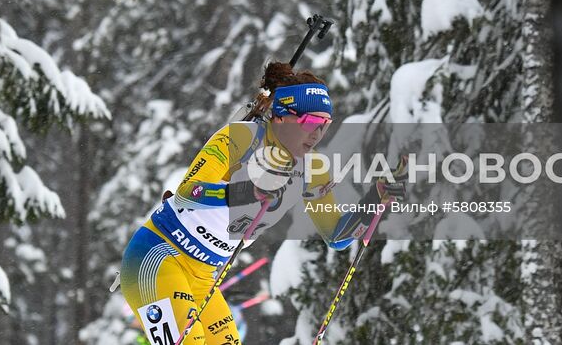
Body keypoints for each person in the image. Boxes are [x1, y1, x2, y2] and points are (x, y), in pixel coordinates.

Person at [119, 62, 404, 345]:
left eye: (325, 124)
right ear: (281, 117)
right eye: (310, 122)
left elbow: (337, 236)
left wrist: (374, 200)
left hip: (203, 275)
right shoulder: (241, 138)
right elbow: (187, 193)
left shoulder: (313, 168)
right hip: (158, 256)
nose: (317, 134)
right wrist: (245, 192)